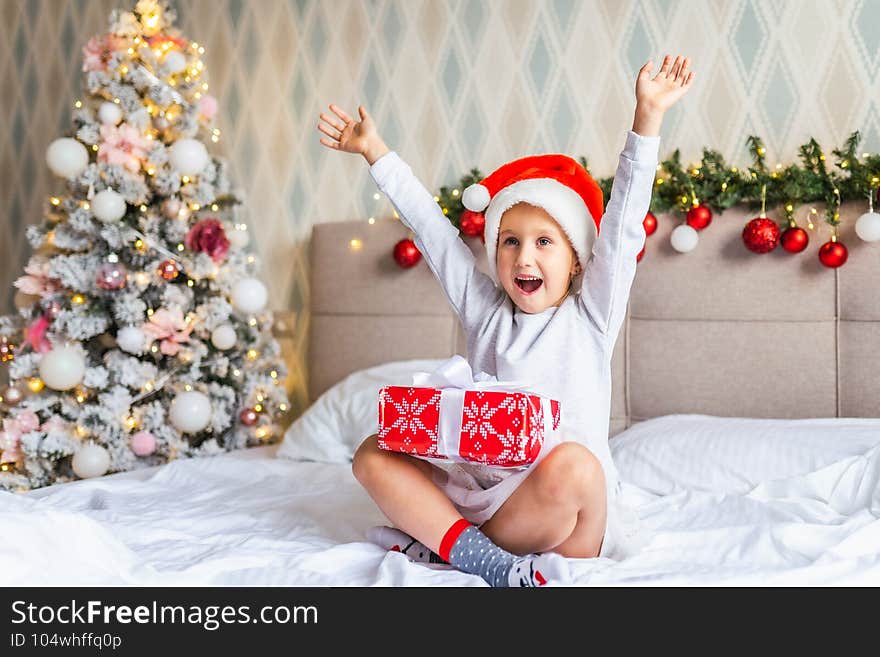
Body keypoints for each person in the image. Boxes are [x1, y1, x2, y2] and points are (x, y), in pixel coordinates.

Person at [317, 54, 694, 587]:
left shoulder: (590, 315)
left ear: (578, 261)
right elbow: (431, 230)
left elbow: (625, 223)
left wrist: (647, 117)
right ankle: (478, 556)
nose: (524, 259)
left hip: (564, 517)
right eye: (509, 242)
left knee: (576, 464)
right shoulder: (485, 308)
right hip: (485, 501)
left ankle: (440, 542)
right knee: (373, 451)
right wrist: (375, 152)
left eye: (544, 243)